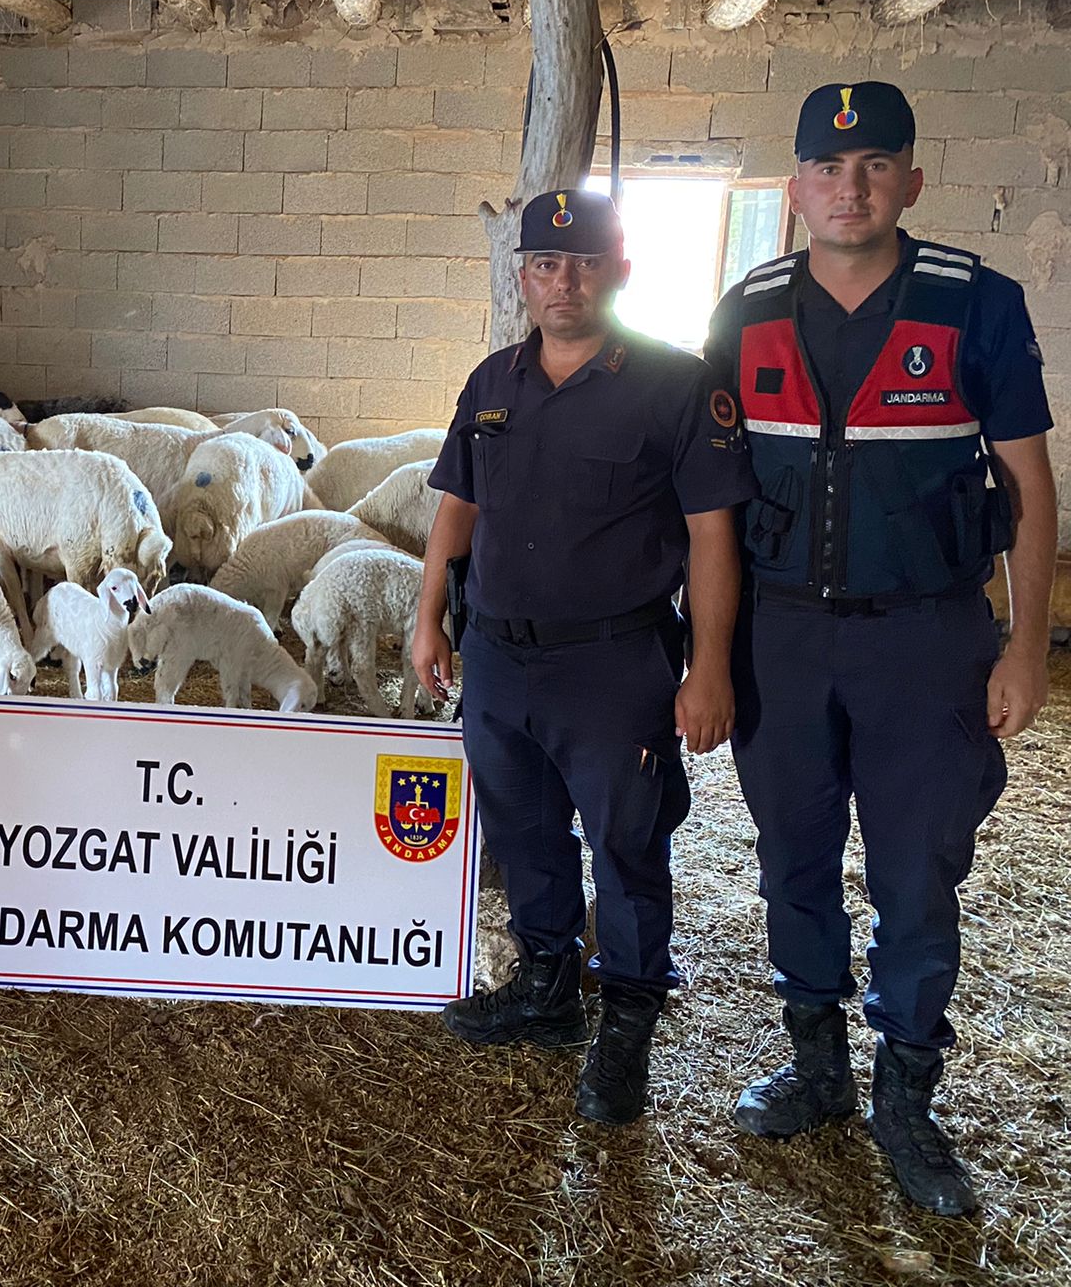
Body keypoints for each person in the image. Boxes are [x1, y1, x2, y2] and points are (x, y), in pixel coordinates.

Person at [704, 83, 1054, 1216]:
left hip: (926, 639)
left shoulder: (975, 305)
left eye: (871, 165)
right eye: (824, 167)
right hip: (779, 637)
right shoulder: (742, 307)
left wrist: (1023, 648)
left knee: (915, 873)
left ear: (909, 178)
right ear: (795, 187)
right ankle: (814, 1067)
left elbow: (1029, 489)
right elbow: (706, 497)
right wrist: (702, 651)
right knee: (790, 858)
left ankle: (905, 1093)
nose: (847, 187)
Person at [409, 188, 756, 1125]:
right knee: (524, 832)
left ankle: (629, 1025)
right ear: (521, 273)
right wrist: (431, 613)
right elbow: (458, 507)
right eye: (546, 264)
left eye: (585, 262)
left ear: (621, 271)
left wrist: (708, 667)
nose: (564, 280)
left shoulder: (674, 386)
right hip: (500, 659)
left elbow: (712, 535)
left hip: (613, 665)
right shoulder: (492, 384)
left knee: (627, 845)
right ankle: (548, 988)